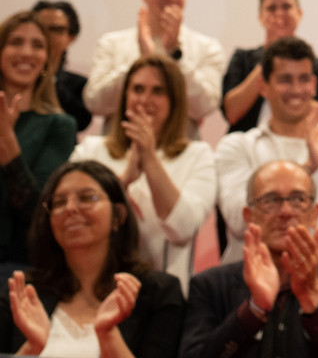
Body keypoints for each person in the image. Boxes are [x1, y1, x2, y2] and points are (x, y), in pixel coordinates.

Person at [216, 36, 318, 270]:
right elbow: (238, 221)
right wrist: (308, 167)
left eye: (303, 79)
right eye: (285, 80)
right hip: (254, 284)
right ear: (263, 86)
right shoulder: (236, 147)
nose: (296, 90)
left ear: (314, 84)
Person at [180, 160, 318, 358]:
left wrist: (315, 301)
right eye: (270, 200)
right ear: (249, 216)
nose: (285, 211)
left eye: (298, 199)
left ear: (315, 214)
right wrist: (253, 309)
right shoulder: (210, 286)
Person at [0, 160, 184, 356]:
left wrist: (108, 335)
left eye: (87, 198)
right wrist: (32, 348)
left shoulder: (159, 292)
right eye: (59, 202)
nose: (70, 208)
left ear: (118, 215)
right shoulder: (22, 293)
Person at [71, 54, 217, 295]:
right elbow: (72, 213)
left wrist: (149, 157)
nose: (145, 100)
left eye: (158, 91)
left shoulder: (198, 155)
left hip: (164, 295)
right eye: (137, 89)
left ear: (174, 101)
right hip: (93, 290)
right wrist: (122, 182)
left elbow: (183, 228)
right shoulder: (91, 150)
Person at [85, 0, 225, 133]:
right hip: (121, 145)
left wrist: (176, 55)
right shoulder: (112, 43)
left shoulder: (207, 47)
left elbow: (205, 106)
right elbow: (95, 102)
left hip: (180, 147)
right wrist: (141, 61)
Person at [0, 11, 76, 269]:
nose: (26, 52)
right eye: (15, 42)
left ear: (46, 60)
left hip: (19, 266)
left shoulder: (59, 126)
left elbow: (38, 211)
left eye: (37, 45)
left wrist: (8, 144)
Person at [222, 0, 318, 133]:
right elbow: (232, 113)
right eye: (271, 8)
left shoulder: (317, 65)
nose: (279, 14)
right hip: (247, 143)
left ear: (299, 14)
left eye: (286, 7)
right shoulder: (242, 58)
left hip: (300, 143)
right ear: (260, 17)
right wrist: (269, 57)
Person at [32, 0, 92, 131]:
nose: (47, 35)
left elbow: (81, 121)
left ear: (71, 37)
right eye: (40, 28)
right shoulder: (12, 79)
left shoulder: (79, 86)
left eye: (56, 29)